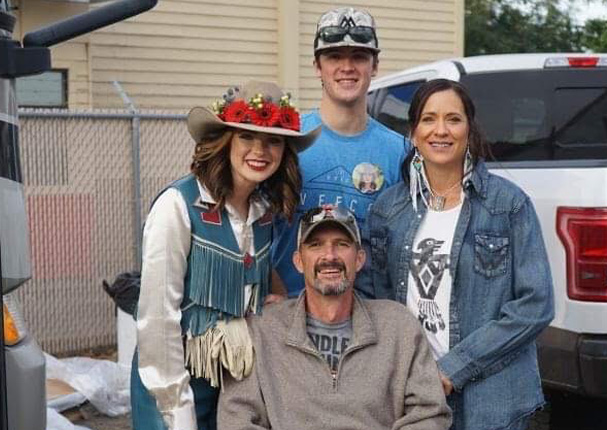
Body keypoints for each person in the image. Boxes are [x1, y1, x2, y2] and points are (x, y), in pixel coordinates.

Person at [361, 79, 555, 430]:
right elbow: (372, 300)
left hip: (492, 400)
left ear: (469, 129)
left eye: (453, 119)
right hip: (415, 395)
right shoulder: (387, 210)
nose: (441, 130)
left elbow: (535, 304)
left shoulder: (508, 205)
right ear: (413, 132)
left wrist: (454, 368)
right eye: (429, 119)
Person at [131, 81, 320, 430]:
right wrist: (177, 410)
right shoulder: (177, 206)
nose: (260, 150)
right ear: (225, 140)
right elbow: (157, 319)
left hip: (235, 388)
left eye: (273, 140)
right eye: (246, 136)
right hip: (175, 386)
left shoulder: (263, 212)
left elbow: (258, 282)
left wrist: (273, 307)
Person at [218, 206, 452, 430]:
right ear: (298, 261)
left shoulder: (398, 325)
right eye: (316, 245)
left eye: (341, 244)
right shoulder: (263, 329)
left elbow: (429, 414)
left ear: (359, 259)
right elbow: (236, 418)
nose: (329, 255)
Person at [271, 6, 407, 298]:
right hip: (288, 310)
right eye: (334, 56)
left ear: (375, 66)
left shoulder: (399, 152)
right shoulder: (286, 139)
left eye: (359, 56)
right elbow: (251, 230)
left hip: (369, 312)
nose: (347, 67)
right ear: (317, 67)